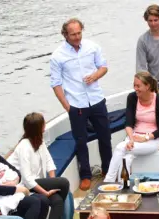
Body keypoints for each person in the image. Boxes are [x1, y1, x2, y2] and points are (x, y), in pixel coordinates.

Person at [50, 18, 113, 191]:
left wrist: (95, 76)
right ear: (65, 35)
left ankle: (108, 169)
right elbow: (56, 84)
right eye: (73, 34)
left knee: (105, 136)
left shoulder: (92, 47)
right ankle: (85, 175)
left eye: (79, 33)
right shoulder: (58, 56)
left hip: (96, 99)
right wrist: (67, 106)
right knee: (80, 141)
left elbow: (103, 67)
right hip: (76, 103)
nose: (77, 37)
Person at [7, 112, 71, 219]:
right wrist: (45, 192)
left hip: (36, 182)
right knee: (64, 183)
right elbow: (27, 179)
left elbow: (49, 162)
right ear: (37, 128)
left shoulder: (39, 142)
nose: (45, 126)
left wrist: (52, 183)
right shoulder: (24, 147)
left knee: (57, 201)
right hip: (24, 185)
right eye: (43, 124)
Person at [103, 72, 159, 183]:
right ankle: (123, 185)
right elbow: (128, 123)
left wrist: (145, 138)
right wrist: (131, 139)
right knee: (126, 158)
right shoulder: (132, 97)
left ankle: (108, 181)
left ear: (147, 86)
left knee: (120, 148)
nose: (135, 88)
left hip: (152, 140)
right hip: (134, 137)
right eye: (134, 85)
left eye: (138, 86)